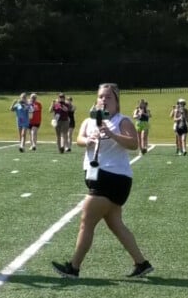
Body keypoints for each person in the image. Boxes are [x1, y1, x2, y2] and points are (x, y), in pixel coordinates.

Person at [52, 83, 153, 278]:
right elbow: (79, 140)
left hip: (112, 177)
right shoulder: (89, 121)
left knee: (86, 221)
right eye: (101, 97)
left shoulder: (122, 121)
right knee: (115, 223)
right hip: (95, 175)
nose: (104, 100)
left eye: (108, 97)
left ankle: (73, 267)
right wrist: (88, 140)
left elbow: (133, 144)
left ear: (116, 102)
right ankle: (141, 263)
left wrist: (111, 133)